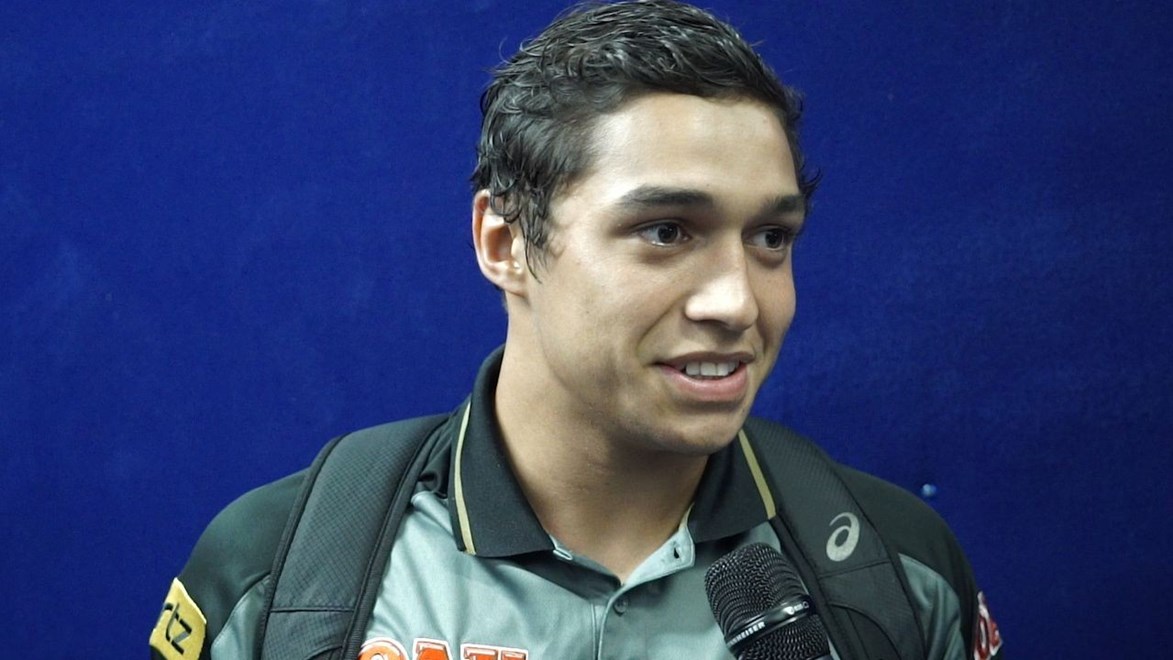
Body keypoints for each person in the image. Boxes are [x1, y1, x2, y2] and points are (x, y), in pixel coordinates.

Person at [150, 1, 1002, 658]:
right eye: (665, 231)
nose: (737, 304)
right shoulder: (286, 573)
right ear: (505, 244)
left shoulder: (893, 571)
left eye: (769, 238)